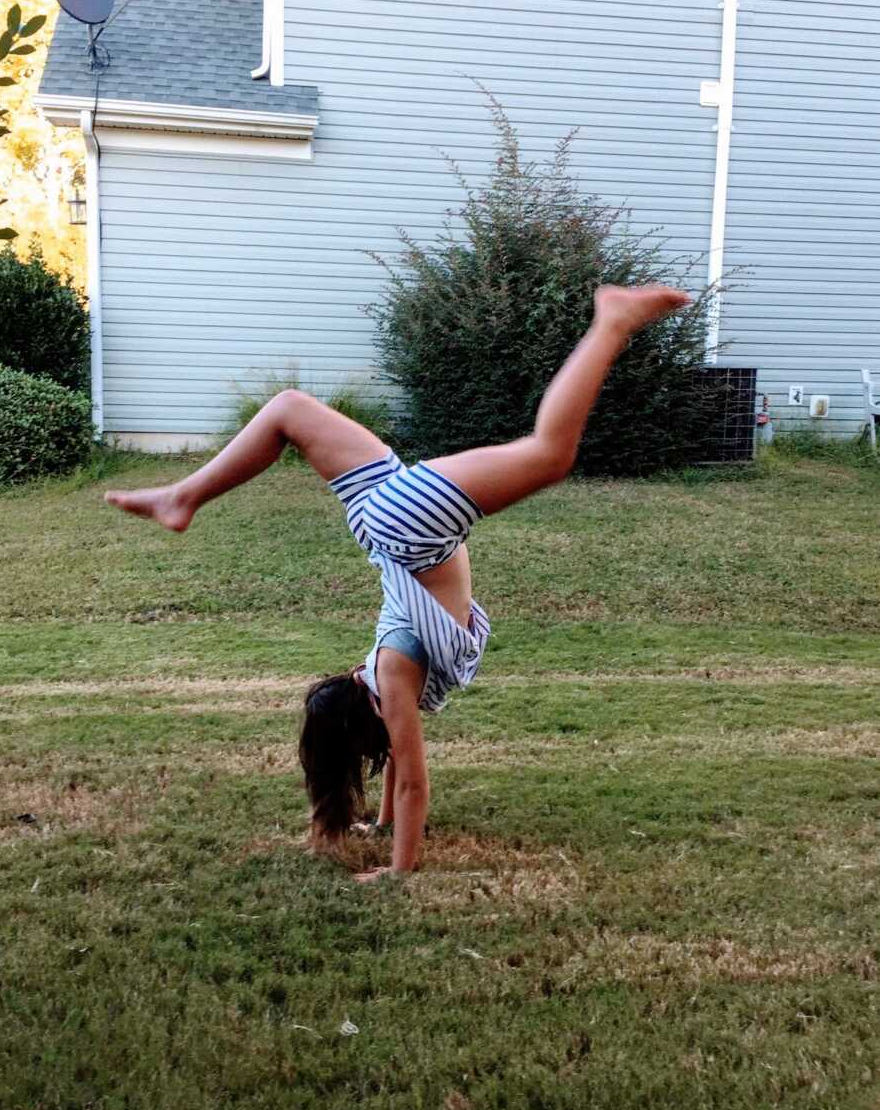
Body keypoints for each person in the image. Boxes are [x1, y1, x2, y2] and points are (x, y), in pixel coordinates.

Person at [105, 283, 690, 881]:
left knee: (548, 454)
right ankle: (182, 497)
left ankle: (612, 322)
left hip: (409, 531)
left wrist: (398, 871)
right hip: (385, 519)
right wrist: (383, 828)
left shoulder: (391, 675)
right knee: (286, 409)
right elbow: (397, 771)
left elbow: (412, 781)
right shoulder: (384, 681)